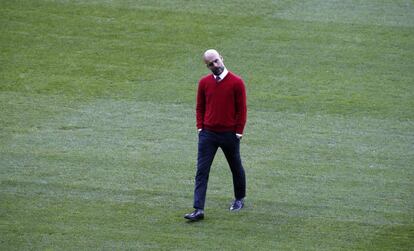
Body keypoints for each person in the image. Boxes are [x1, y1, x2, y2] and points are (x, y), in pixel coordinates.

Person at [184, 49, 247, 221]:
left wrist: (238, 132)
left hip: (229, 134)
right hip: (208, 134)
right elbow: (200, 107)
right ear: (207, 66)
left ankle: (239, 199)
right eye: (210, 64)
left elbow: (242, 109)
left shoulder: (236, 82)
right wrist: (200, 128)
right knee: (201, 171)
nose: (215, 65)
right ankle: (198, 209)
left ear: (222, 58)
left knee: (236, 167)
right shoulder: (204, 83)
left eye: (216, 61)